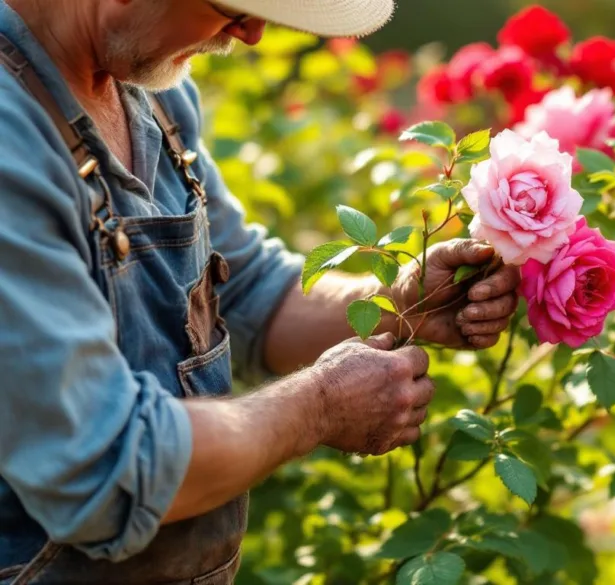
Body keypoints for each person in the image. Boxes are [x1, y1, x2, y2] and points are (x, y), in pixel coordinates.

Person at [0, 0, 521, 583]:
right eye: (232, 6)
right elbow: (105, 468)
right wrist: (317, 407)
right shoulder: (11, 140)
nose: (251, 33)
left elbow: (244, 292)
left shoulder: (149, 88)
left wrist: (401, 302)